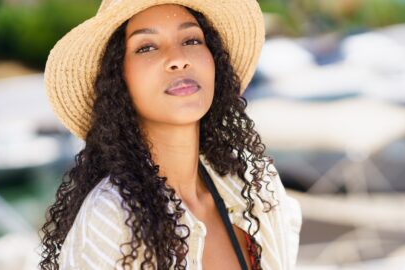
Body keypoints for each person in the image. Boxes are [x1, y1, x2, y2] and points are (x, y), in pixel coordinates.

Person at [39, 0, 302, 269]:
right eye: (146, 47)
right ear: (118, 81)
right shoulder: (111, 218)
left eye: (191, 40)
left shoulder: (255, 184)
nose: (178, 59)